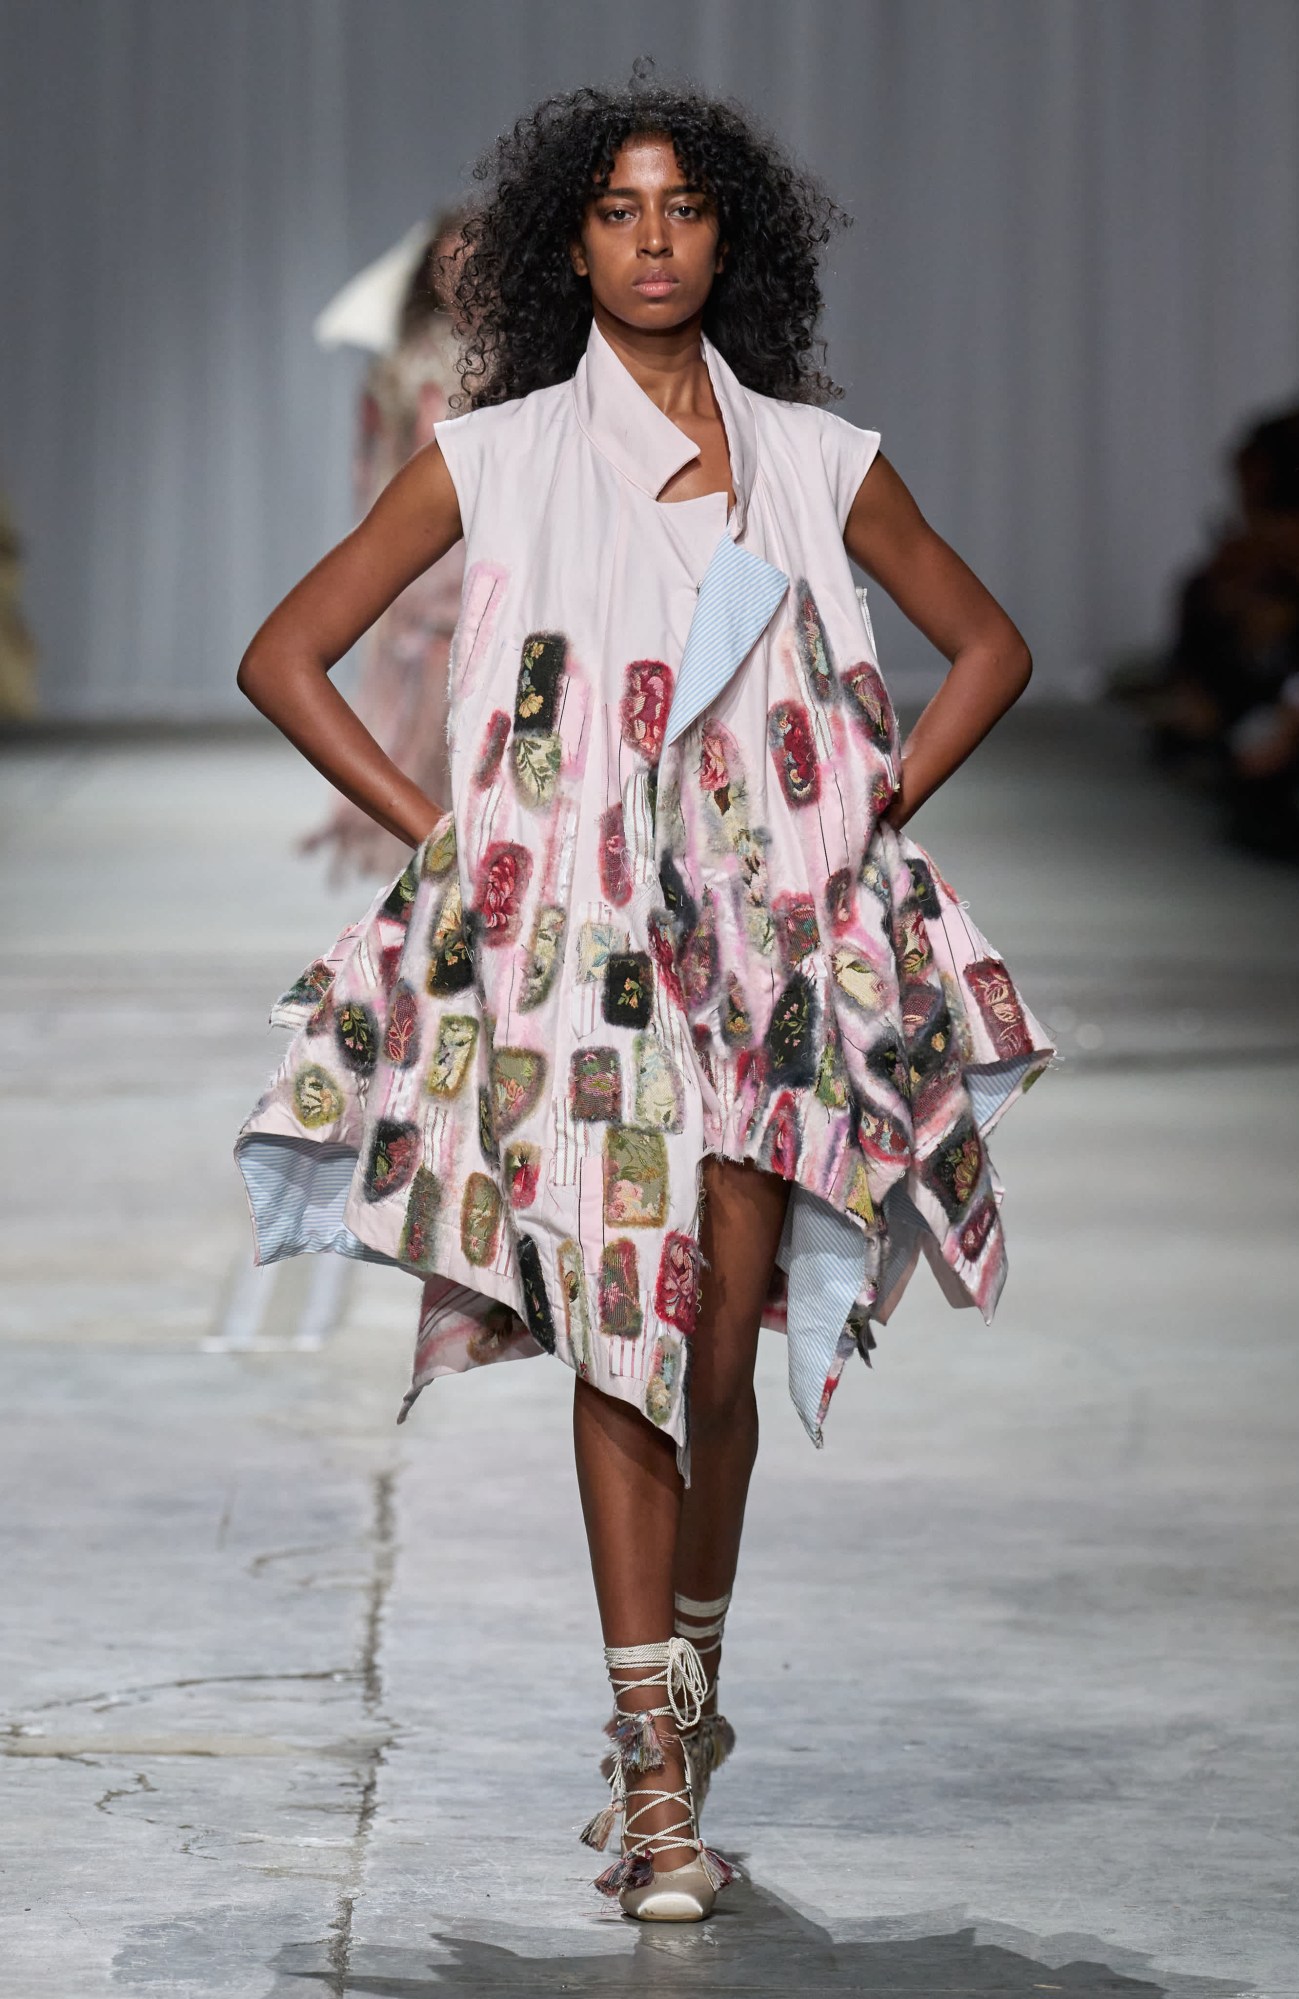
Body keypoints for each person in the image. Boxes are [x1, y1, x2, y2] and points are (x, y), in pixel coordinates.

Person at [234, 74, 1053, 1923]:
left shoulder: (819, 461)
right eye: (617, 209)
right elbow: (287, 652)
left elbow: (988, 643)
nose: (655, 236)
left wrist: (869, 805)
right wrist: (449, 835)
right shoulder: (497, 455)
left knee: (717, 1352)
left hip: (771, 963)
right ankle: (652, 1776)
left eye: (682, 206)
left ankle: (687, 1696)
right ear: (571, 243)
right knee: (627, 1325)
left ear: (729, 236)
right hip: (579, 970)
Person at [302, 210, 471, 879]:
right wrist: (375, 538)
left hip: (489, 534)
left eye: (475, 261)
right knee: (417, 690)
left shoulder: (525, 353)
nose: (463, 276)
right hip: (424, 538)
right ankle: (423, 845)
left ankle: (478, 836)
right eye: (451, 262)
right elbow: (378, 456)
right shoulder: (404, 362)